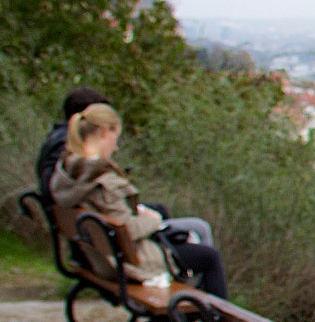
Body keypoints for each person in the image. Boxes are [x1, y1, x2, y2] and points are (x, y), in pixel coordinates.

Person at [49, 104, 229, 300]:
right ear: (104, 131)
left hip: (101, 257)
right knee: (210, 257)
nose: (115, 146)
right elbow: (128, 229)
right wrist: (154, 219)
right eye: (115, 137)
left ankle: (196, 314)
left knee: (196, 227)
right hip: (130, 262)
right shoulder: (101, 178)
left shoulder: (68, 171)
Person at [37, 86, 216, 247]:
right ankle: (170, 252)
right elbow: (64, 189)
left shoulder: (58, 141)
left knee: (158, 209)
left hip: (89, 226)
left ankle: (171, 245)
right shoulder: (67, 148)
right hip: (106, 236)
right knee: (194, 230)